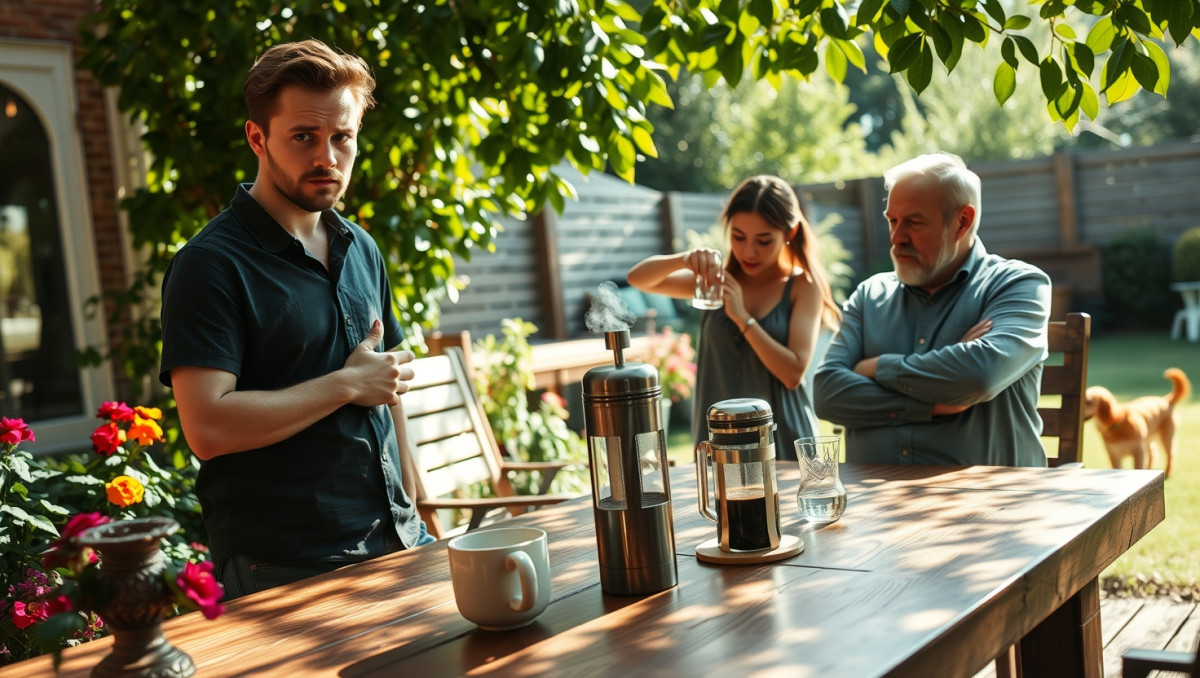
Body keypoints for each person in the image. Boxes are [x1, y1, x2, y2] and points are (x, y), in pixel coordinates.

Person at [159, 39, 434, 598]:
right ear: (258, 138)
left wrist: (416, 509)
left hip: (399, 539)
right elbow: (207, 428)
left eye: (342, 137)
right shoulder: (209, 265)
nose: (327, 158)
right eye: (304, 137)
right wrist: (345, 385)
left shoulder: (361, 247)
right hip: (287, 568)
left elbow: (386, 389)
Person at [813, 152, 1051, 466]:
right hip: (875, 504)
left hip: (990, 502)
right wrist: (934, 404)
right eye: (892, 221)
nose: (897, 238)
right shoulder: (869, 295)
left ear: (962, 221)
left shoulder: (1018, 285)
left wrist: (875, 367)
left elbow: (980, 375)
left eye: (913, 222)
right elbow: (827, 393)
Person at [627, 175, 842, 460]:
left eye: (764, 241)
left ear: (789, 233)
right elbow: (639, 279)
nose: (748, 251)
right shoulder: (715, 281)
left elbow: (793, 373)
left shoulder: (804, 285)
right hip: (719, 444)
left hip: (783, 443)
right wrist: (684, 259)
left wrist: (743, 318)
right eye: (738, 237)